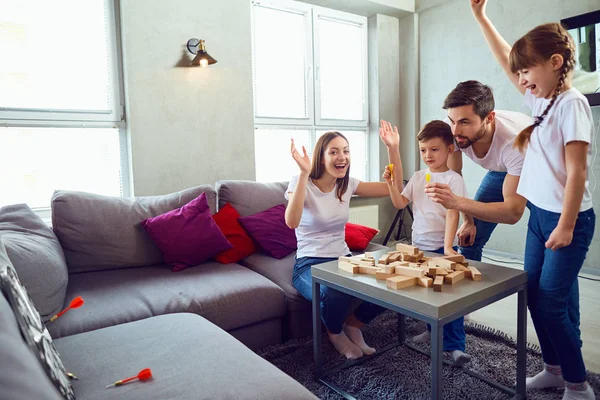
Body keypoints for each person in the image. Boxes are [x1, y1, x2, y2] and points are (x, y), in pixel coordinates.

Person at [470, 1, 596, 398]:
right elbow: (507, 60)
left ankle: (579, 386)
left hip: (567, 220)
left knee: (553, 306)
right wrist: (481, 18)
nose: (521, 78)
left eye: (529, 70)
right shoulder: (541, 98)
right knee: (534, 298)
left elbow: (577, 171)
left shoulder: (572, 104)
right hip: (541, 215)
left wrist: (566, 225)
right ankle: (554, 369)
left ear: (556, 62)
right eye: (520, 72)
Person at [285, 128, 401, 360]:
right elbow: (291, 221)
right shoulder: (301, 181)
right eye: (334, 151)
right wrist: (304, 174)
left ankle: (354, 325)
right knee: (331, 291)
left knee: (390, 283)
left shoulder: (347, 185)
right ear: (321, 157)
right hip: (309, 264)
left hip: (343, 259)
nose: (342, 157)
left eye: (346, 151)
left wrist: (393, 149)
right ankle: (335, 334)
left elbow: (394, 189)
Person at [383, 119, 471, 366]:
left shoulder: (454, 180)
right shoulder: (419, 177)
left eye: (434, 149)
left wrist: (447, 247)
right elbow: (400, 203)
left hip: (442, 247)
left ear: (449, 150)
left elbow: (453, 212)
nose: (428, 155)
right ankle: (431, 331)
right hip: (419, 245)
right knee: (427, 294)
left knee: (450, 297)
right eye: (423, 150)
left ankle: (455, 346)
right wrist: (391, 184)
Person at [426, 80, 532, 262]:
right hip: (503, 169)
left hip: (541, 172)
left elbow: (513, 213)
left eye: (465, 122)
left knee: (544, 253)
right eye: (452, 120)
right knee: (469, 238)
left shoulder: (514, 143)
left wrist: (458, 203)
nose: (455, 130)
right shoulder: (452, 129)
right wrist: (467, 220)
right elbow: (454, 179)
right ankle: (467, 288)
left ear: (489, 118)